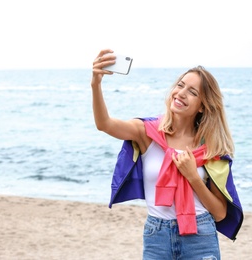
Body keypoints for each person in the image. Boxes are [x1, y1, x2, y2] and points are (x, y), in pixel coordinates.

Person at [91, 49, 243, 260]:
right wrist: (96, 85)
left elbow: (219, 213)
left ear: (202, 106)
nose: (181, 93)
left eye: (192, 92)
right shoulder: (147, 132)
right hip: (156, 235)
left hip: (200, 236)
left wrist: (192, 177)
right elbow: (104, 124)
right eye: (180, 85)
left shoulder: (211, 149)